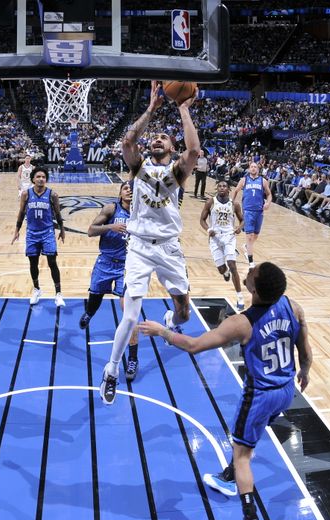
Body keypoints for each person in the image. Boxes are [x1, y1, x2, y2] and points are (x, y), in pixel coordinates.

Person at [137, 262, 312, 520]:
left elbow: (194, 346)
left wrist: (163, 332)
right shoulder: (292, 306)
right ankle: (230, 474)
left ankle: (250, 518)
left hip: (260, 395)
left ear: (254, 286)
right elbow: (305, 348)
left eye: (253, 272)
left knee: (242, 454)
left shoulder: (241, 323)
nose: (250, 269)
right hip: (286, 390)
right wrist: (306, 372)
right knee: (252, 434)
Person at [99, 80, 200, 405]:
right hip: (140, 248)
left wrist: (183, 109)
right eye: (154, 137)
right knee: (130, 315)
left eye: (162, 137)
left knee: (184, 313)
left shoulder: (177, 171)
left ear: (171, 148)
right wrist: (151, 109)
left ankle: (169, 322)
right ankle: (111, 370)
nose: (156, 139)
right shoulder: (138, 167)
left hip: (170, 248)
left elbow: (194, 151)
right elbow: (128, 140)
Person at [80, 181, 140, 380]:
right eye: (126, 188)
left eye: (133, 188)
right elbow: (90, 230)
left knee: (129, 315)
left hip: (128, 266)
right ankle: (89, 313)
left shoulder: (142, 212)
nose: (129, 190)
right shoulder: (111, 208)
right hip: (105, 261)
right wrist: (110, 226)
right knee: (95, 296)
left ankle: (132, 359)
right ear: (120, 192)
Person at [11, 166, 65, 306]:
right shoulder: (26, 194)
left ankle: (58, 293)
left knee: (52, 262)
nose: (41, 179)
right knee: (33, 263)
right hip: (32, 233)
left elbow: (58, 214)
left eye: (43, 177)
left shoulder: (52, 194)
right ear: (33, 179)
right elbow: (22, 212)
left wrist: (62, 229)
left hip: (47, 232)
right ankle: (36, 290)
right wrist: (17, 230)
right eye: (38, 177)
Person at [200, 180, 245, 310]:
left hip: (229, 237)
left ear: (228, 189)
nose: (221, 188)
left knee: (232, 264)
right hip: (215, 238)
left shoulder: (235, 204)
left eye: (224, 186)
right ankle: (225, 273)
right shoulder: (210, 202)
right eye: (219, 186)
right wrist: (208, 230)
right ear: (217, 188)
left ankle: (239, 296)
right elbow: (202, 220)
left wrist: (239, 228)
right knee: (221, 268)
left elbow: (242, 220)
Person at [232, 161, 271, 269]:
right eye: (252, 167)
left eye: (255, 167)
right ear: (249, 169)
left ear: (258, 170)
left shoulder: (263, 181)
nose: (253, 168)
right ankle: (251, 262)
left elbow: (269, 194)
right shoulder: (244, 180)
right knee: (249, 236)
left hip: (259, 211)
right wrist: (232, 203)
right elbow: (235, 191)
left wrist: (268, 203)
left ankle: (246, 247)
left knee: (255, 235)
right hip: (248, 211)